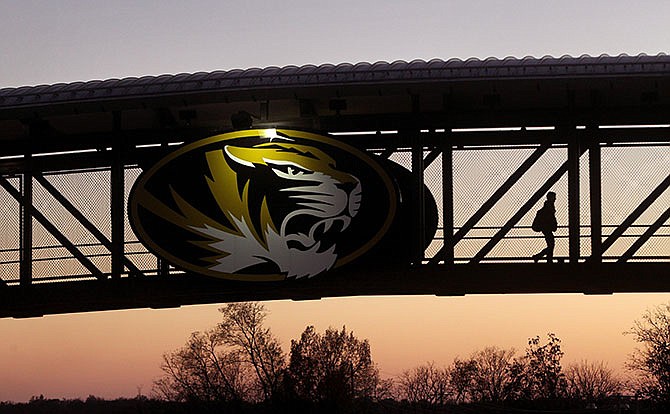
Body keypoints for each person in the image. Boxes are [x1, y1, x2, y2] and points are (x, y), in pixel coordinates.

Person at [532, 191, 557, 263]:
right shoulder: (549, 206)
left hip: (546, 228)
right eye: (554, 197)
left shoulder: (548, 206)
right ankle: (540, 257)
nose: (555, 199)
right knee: (551, 244)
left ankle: (547, 259)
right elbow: (550, 217)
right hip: (547, 228)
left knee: (551, 244)